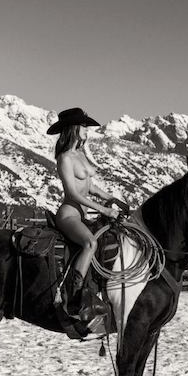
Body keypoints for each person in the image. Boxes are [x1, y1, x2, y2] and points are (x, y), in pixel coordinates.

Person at [48, 107, 119, 330]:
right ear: (73, 129)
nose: (87, 130)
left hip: (81, 214)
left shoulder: (79, 154)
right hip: (69, 213)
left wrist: (112, 199)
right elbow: (74, 194)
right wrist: (103, 210)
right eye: (84, 126)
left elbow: (90, 187)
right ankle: (75, 296)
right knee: (90, 243)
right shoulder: (65, 158)